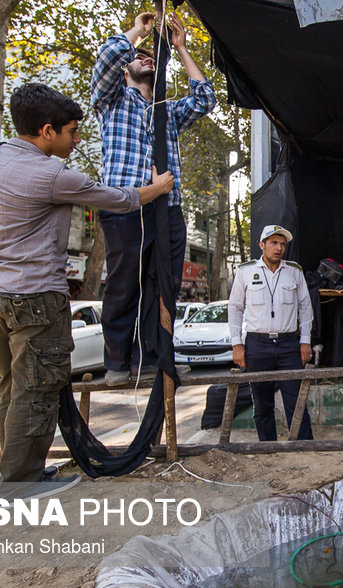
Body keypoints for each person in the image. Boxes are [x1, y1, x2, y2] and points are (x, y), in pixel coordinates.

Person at [0, 83, 174, 501]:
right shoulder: (50, 175)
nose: (77, 139)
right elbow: (119, 198)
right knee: (36, 388)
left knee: (12, 385)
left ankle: (15, 467)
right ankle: (20, 482)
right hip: (36, 296)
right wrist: (160, 187)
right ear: (46, 131)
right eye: (72, 131)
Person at [90, 10, 216, 385]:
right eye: (140, 58)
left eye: (150, 58)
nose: (146, 58)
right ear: (126, 71)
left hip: (168, 209)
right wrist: (140, 33)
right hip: (125, 205)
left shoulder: (167, 111)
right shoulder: (112, 100)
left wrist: (180, 48)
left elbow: (205, 97)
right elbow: (109, 55)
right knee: (124, 283)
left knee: (163, 286)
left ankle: (155, 358)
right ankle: (117, 362)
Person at [228, 225, 314, 441]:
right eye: (274, 243)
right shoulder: (245, 271)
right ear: (262, 245)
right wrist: (237, 344)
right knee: (261, 401)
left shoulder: (294, 271)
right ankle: (268, 447)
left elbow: (305, 307)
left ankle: (304, 447)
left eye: (282, 244)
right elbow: (235, 308)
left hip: (288, 345)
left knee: (297, 401)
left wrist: (305, 341)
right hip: (258, 345)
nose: (279, 248)